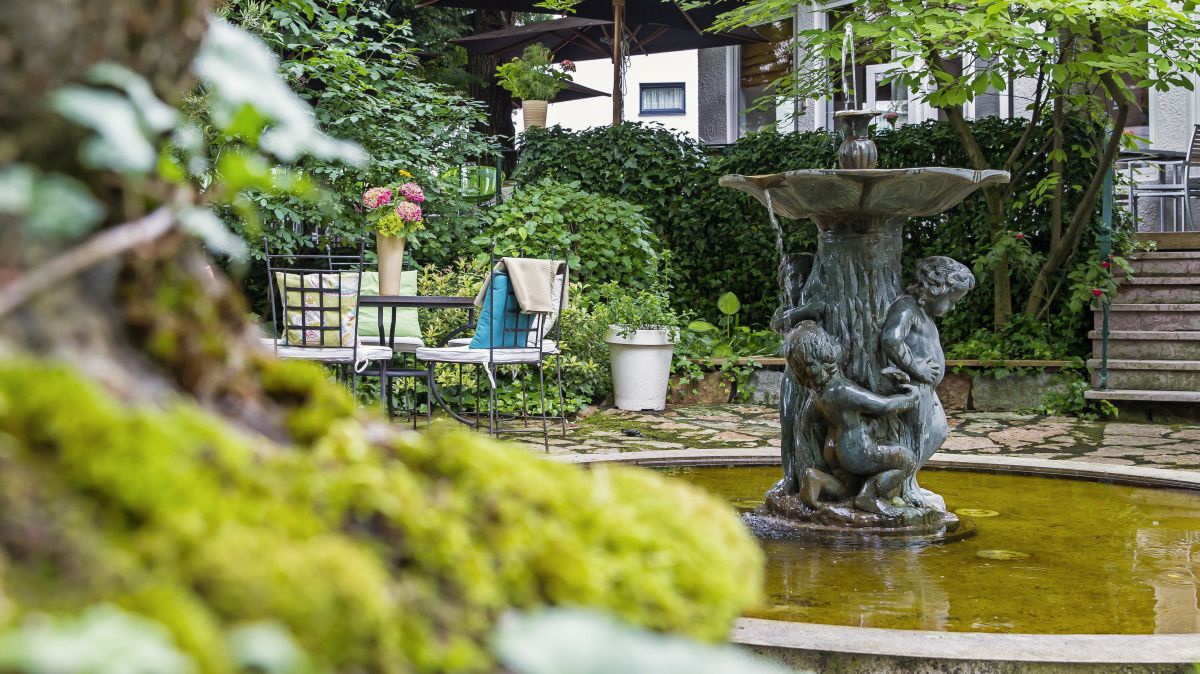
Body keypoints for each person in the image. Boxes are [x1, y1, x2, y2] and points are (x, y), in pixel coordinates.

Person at [786, 321, 920, 517]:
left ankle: (815, 478)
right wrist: (911, 398)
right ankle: (869, 496)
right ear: (824, 353)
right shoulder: (843, 390)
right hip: (857, 449)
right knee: (907, 460)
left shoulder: (817, 394)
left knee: (846, 490)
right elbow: (883, 406)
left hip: (831, 448)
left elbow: (808, 420)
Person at [880, 256, 975, 508]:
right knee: (917, 434)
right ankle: (905, 488)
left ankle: (908, 483)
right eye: (953, 299)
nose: (953, 307)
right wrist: (916, 366)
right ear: (936, 289)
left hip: (925, 388)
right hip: (913, 387)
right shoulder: (906, 307)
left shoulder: (922, 312)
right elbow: (891, 339)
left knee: (936, 431)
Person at [769, 254, 826, 498]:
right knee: (788, 425)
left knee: (816, 428)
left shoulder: (822, 302)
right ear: (783, 282)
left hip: (820, 377)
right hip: (793, 377)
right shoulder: (788, 310)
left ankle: (818, 477)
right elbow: (777, 323)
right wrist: (806, 310)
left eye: (805, 276)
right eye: (793, 277)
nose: (799, 281)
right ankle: (790, 476)